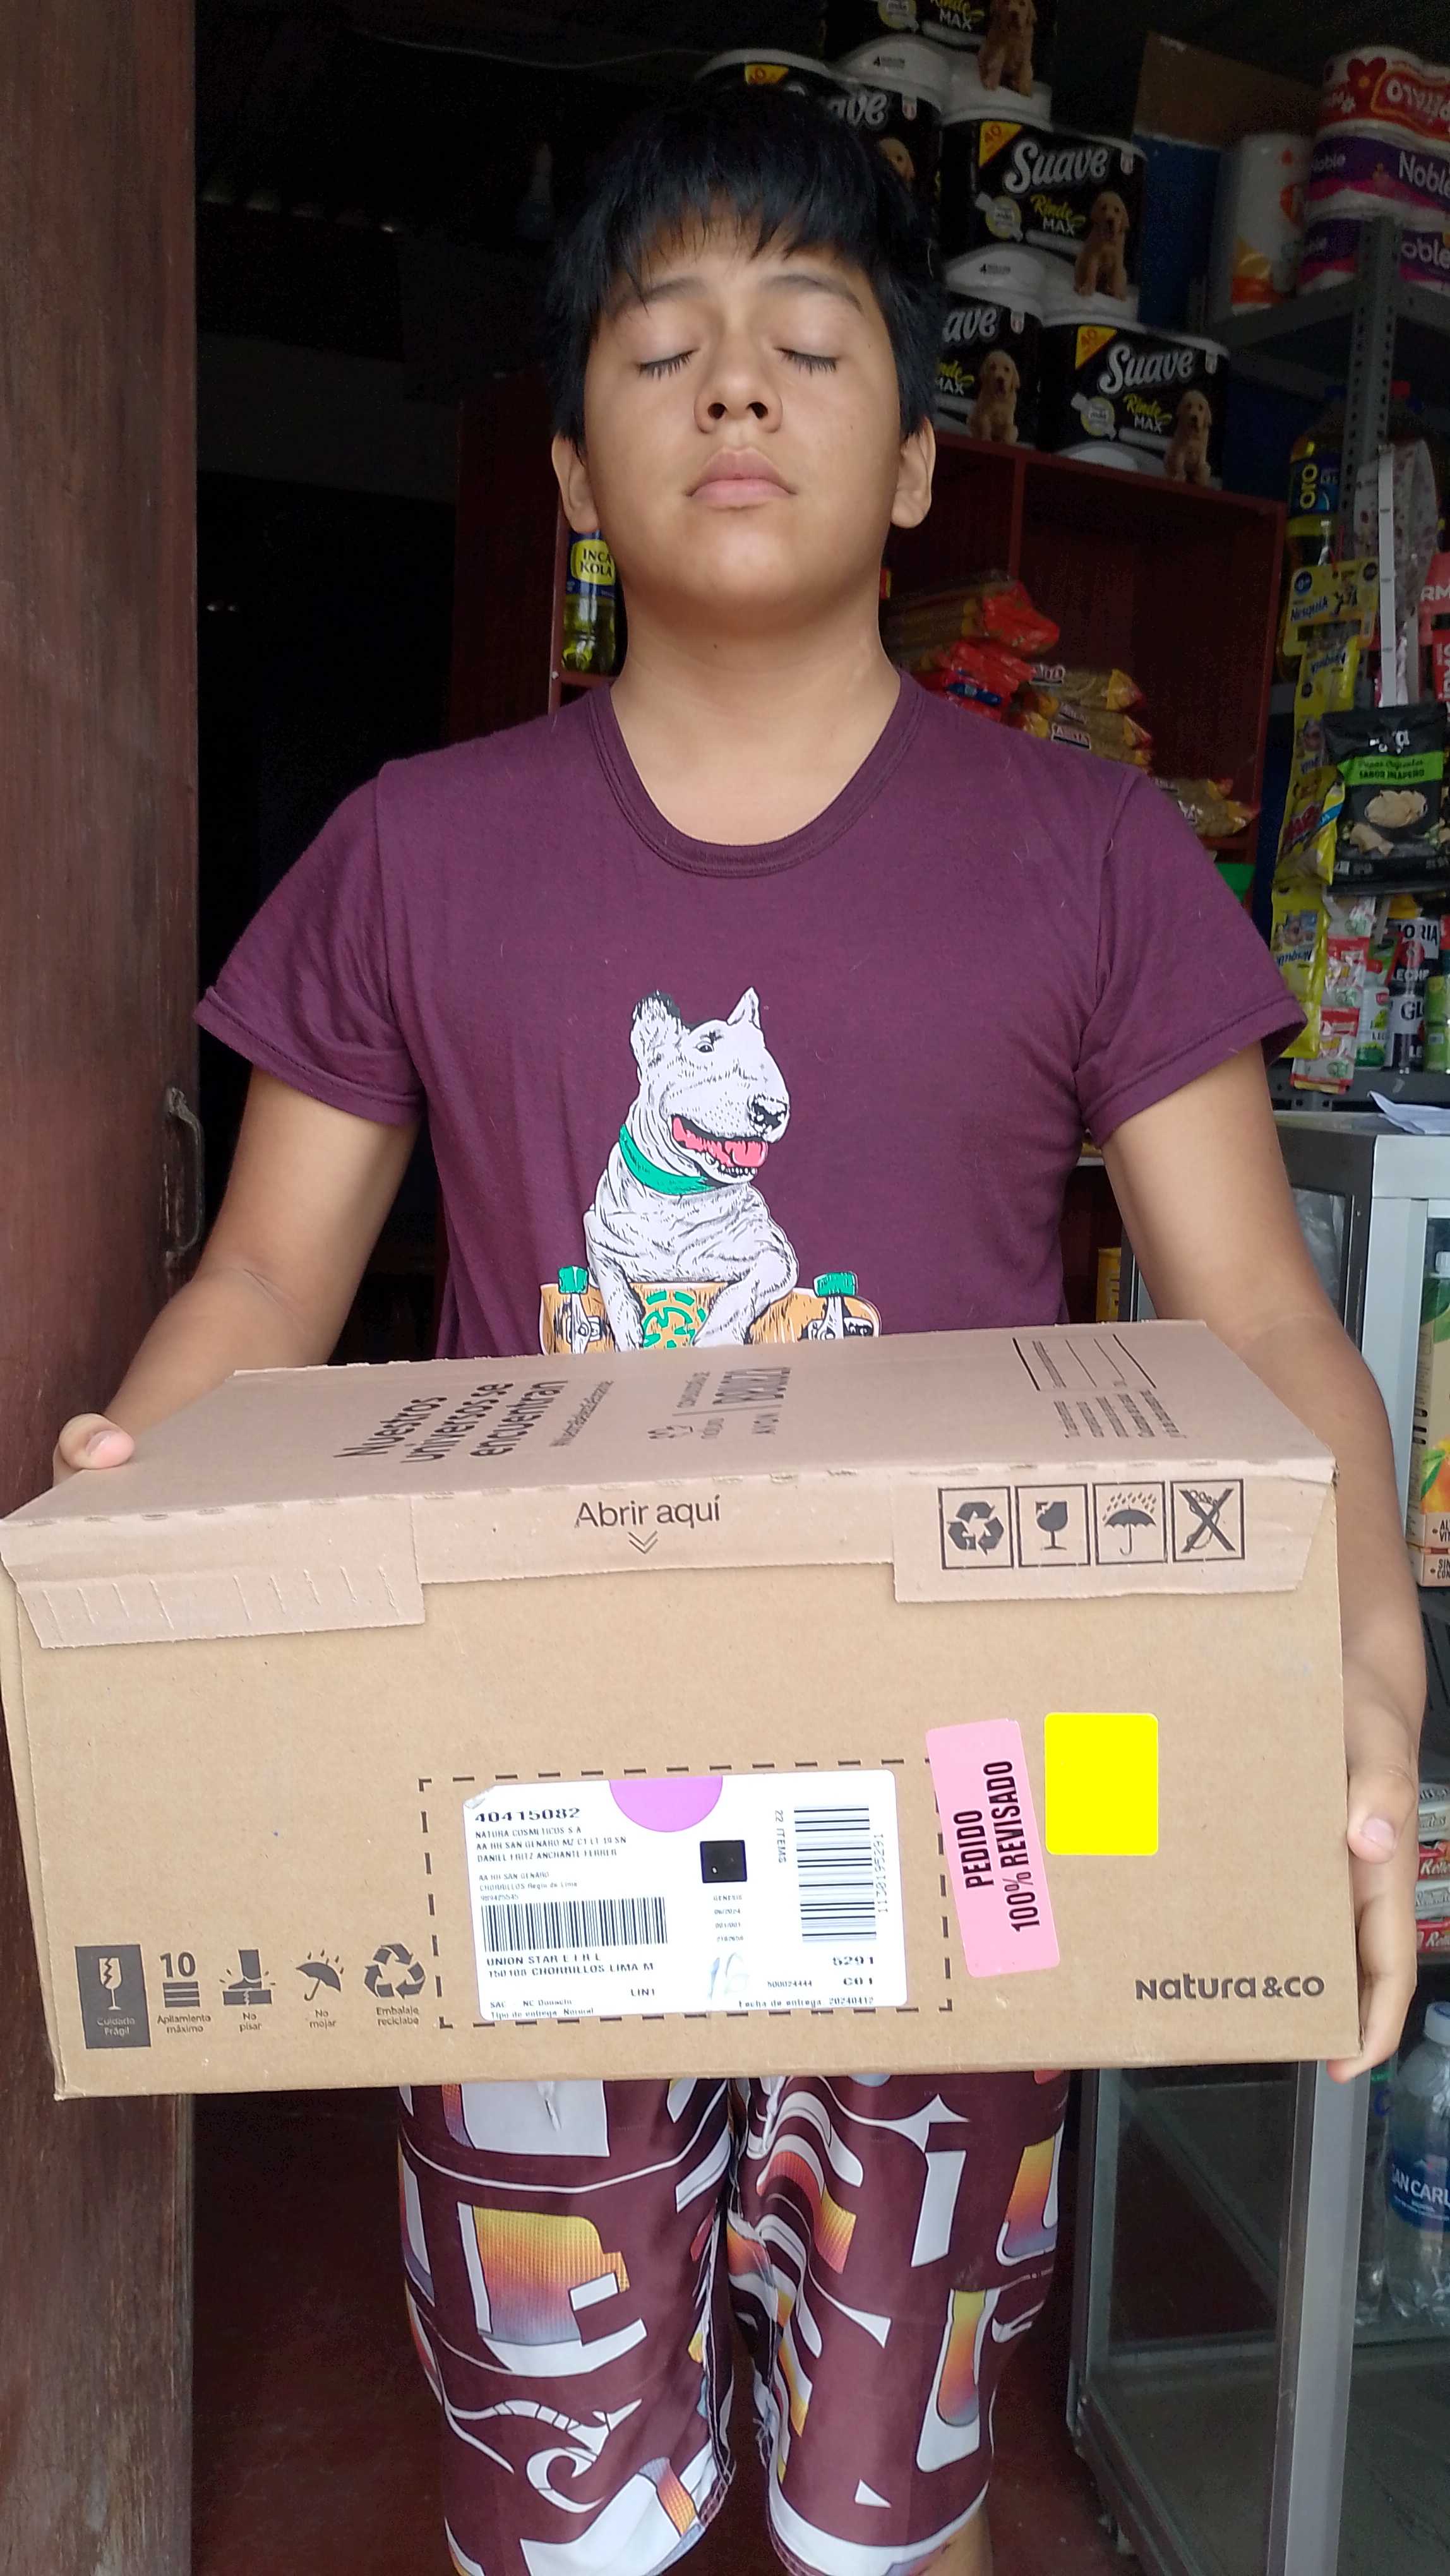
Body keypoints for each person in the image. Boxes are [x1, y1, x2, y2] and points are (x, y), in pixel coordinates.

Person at [56, 85, 1421, 2576]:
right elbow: (260, 1279)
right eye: (660, 342)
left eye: (808, 337)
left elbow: (1252, 1311)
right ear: (573, 472)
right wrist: (108, 1557)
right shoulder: (413, 850)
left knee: (892, 2497)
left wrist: (1361, 1671)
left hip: (976, 1795)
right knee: (564, 2497)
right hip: (533, 1799)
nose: (734, 384)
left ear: (912, 463)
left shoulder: (1092, 854)